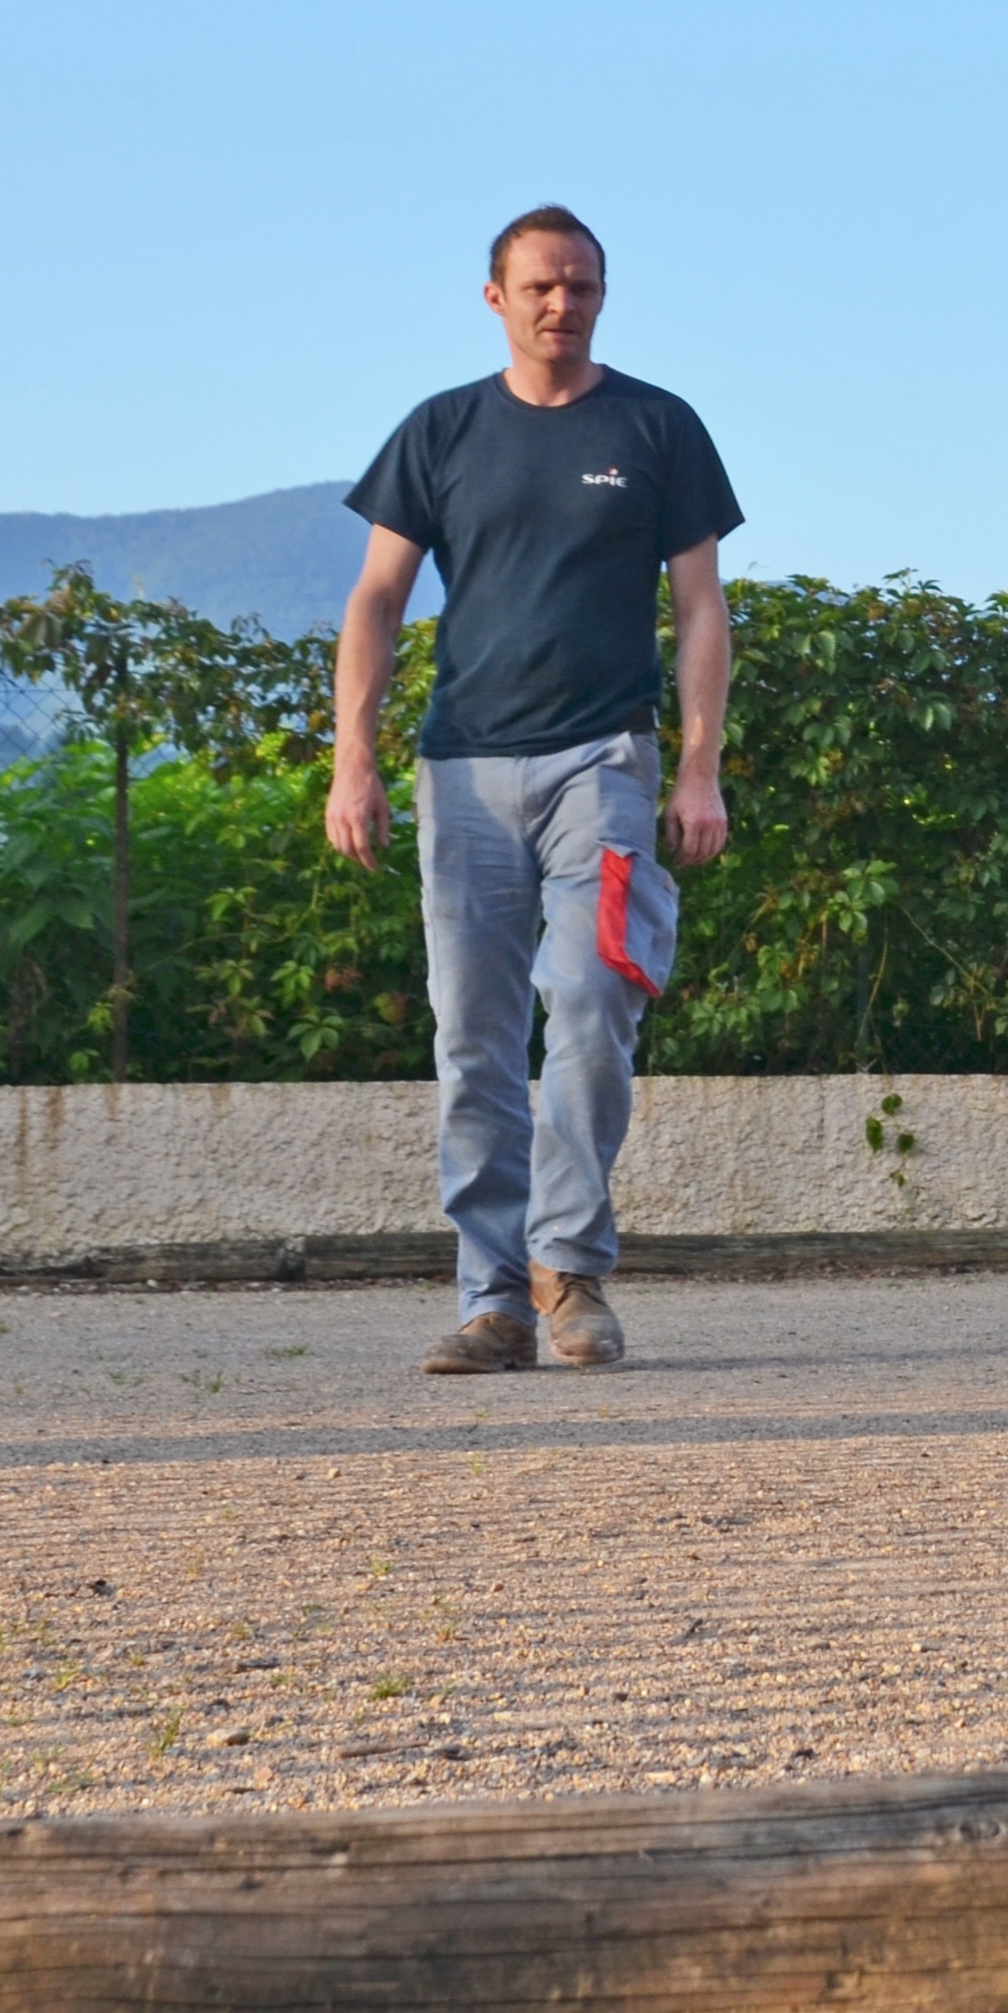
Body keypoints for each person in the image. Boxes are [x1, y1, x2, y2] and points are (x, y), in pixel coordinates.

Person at [329, 207, 743, 1374]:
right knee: (471, 1039)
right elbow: (376, 597)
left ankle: (571, 1269)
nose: (563, 305)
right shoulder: (442, 431)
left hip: (601, 763)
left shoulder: (655, 426)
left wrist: (698, 767)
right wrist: (352, 758)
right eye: (542, 288)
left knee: (593, 1003)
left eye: (583, 287)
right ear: (495, 297)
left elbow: (701, 603)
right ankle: (493, 1298)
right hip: (460, 769)